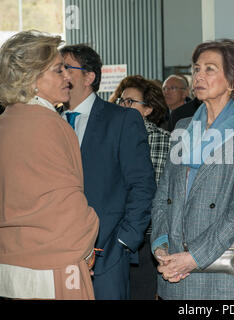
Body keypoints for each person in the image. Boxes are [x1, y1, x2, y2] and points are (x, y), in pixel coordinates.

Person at [151, 39, 234, 300]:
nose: (199, 76)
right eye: (196, 69)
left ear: (232, 81)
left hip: (224, 276)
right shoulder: (182, 128)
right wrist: (160, 247)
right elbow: (162, 198)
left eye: (210, 69)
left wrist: (193, 258)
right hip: (176, 273)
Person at [0, 30, 99, 300]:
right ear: (31, 79)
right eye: (58, 70)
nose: (68, 77)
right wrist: (88, 240)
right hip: (53, 263)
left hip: (9, 265)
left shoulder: (6, 122)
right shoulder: (51, 124)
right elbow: (66, 203)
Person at [59, 44, 157, 300]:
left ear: (89, 77)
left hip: (108, 251)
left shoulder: (122, 119)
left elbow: (142, 184)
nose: (60, 74)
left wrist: (125, 241)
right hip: (58, 251)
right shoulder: (51, 121)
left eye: (66, 68)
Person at [110, 75, 171, 299]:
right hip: (113, 232)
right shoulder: (112, 137)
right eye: (121, 101)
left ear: (148, 109)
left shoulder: (167, 141)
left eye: (130, 102)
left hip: (148, 235)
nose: (123, 106)